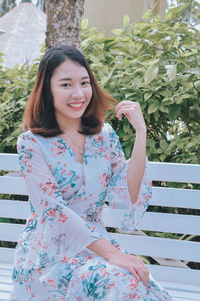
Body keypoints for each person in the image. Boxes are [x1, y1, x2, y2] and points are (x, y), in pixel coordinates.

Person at [11, 45, 172, 301]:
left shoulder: (104, 136)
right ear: (47, 91)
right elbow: (53, 211)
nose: (78, 93)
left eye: (84, 83)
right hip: (51, 255)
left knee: (144, 285)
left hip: (96, 250)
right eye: (66, 85)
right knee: (125, 285)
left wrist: (140, 133)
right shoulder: (30, 143)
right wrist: (111, 253)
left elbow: (128, 192)